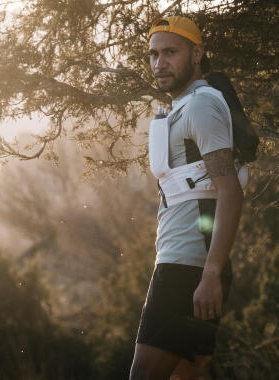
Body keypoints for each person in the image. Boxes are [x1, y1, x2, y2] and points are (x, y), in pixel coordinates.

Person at [129, 16, 244, 380]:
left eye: (170, 52)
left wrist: (210, 274)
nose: (159, 63)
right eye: (153, 54)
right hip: (189, 263)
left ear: (196, 54)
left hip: (188, 267)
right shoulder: (183, 106)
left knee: (145, 374)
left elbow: (230, 193)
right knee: (187, 375)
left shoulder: (200, 106)